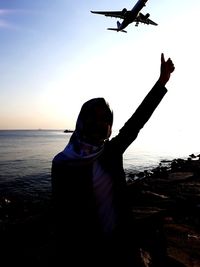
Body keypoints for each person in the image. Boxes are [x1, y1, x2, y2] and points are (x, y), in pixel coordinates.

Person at [51, 53, 175, 266]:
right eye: (93, 117)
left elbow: (137, 120)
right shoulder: (62, 162)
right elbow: (61, 213)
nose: (99, 123)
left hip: (121, 243)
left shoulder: (112, 151)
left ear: (110, 126)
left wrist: (161, 82)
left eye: (105, 119)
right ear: (82, 120)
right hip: (85, 251)